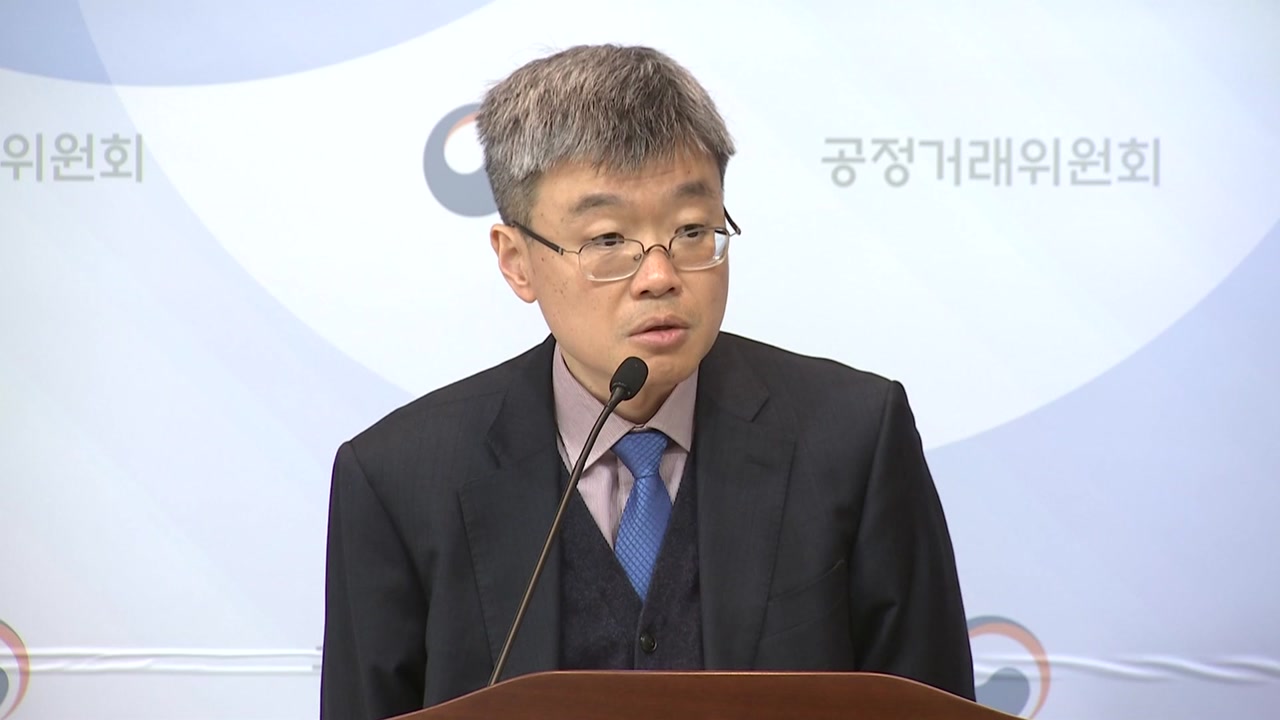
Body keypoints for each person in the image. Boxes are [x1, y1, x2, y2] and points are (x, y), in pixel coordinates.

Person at [320, 44, 974, 720]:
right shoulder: (400, 480)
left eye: (692, 230)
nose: (660, 275)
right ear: (516, 261)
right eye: (608, 240)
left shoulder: (852, 438)